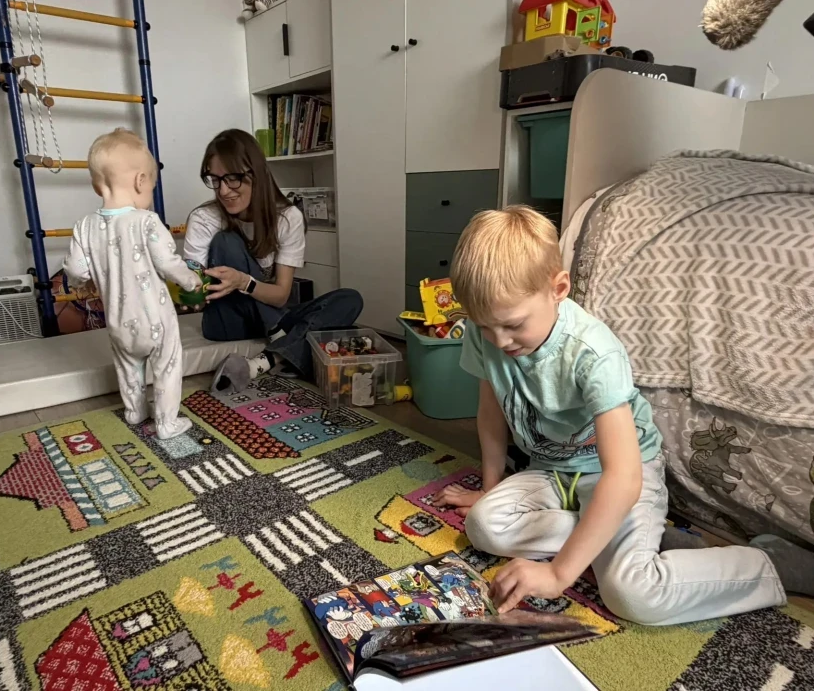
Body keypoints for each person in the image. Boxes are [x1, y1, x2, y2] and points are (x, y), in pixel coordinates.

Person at [431, 206, 814, 625]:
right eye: (486, 327)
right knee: (484, 526)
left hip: (615, 474)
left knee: (634, 594)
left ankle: (772, 563)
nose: (499, 341)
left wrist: (558, 574)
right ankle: (622, 536)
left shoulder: (594, 353)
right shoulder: (485, 334)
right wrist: (490, 487)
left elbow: (624, 476)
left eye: (513, 325)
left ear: (558, 289)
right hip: (552, 471)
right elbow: (491, 412)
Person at [183, 129, 362, 393]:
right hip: (227, 321)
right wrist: (186, 290)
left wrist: (244, 282)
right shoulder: (204, 219)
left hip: (273, 318)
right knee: (226, 242)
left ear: (256, 174)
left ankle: (265, 361)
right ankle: (289, 343)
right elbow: (193, 293)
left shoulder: (288, 218)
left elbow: (281, 296)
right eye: (215, 179)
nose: (223, 190)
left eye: (233, 178)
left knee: (349, 299)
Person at [63, 128, 200, 440]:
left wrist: (79, 282)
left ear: (96, 185)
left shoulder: (84, 227)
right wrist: (191, 281)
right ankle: (166, 423)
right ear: (141, 181)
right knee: (167, 366)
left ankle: (135, 411)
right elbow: (168, 263)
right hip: (156, 320)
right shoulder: (146, 221)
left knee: (128, 366)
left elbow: (76, 270)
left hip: (117, 322)